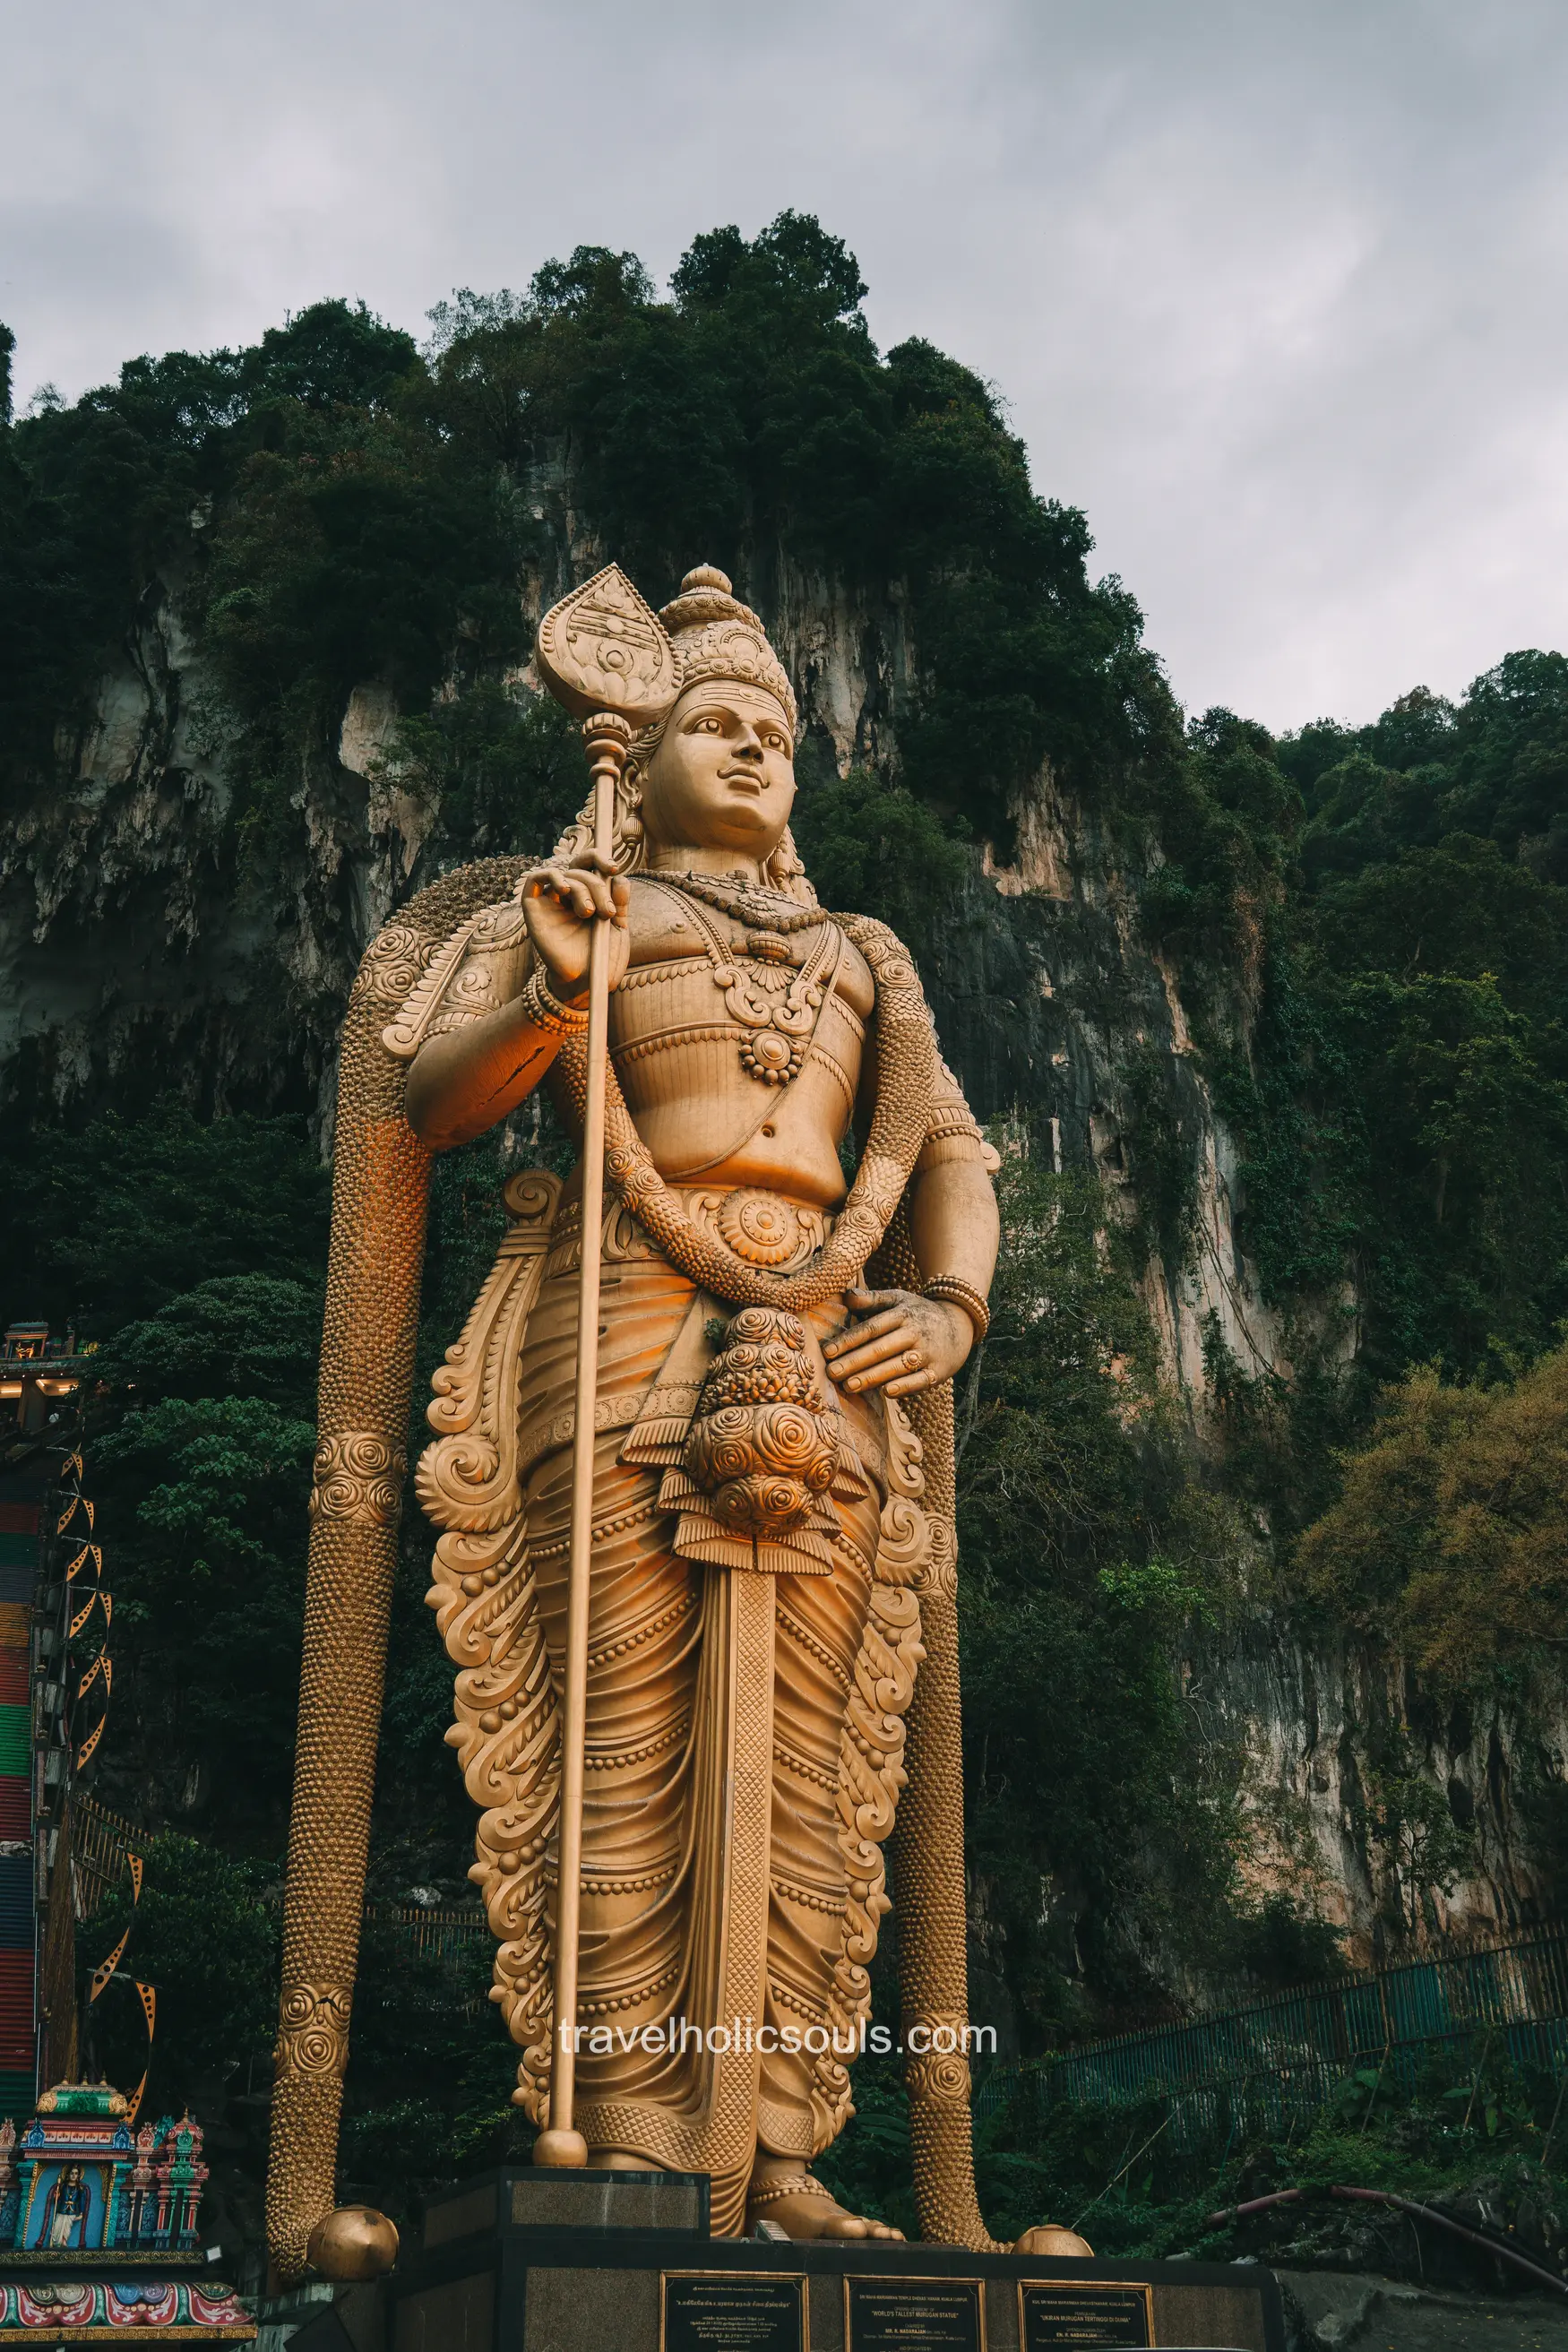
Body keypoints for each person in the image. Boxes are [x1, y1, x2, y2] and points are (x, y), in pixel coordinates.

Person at [401, 567, 998, 2239]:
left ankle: (782, 2144)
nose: (745, 750)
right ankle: (629, 2134)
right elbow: (433, 1102)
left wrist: (945, 1304)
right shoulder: (582, 904)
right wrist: (544, 986)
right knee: (619, 1724)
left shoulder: (862, 954)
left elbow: (947, 1148)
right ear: (638, 748)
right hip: (620, 1311)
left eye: (771, 735)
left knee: (817, 1753)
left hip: (826, 1334)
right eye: (709, 724)